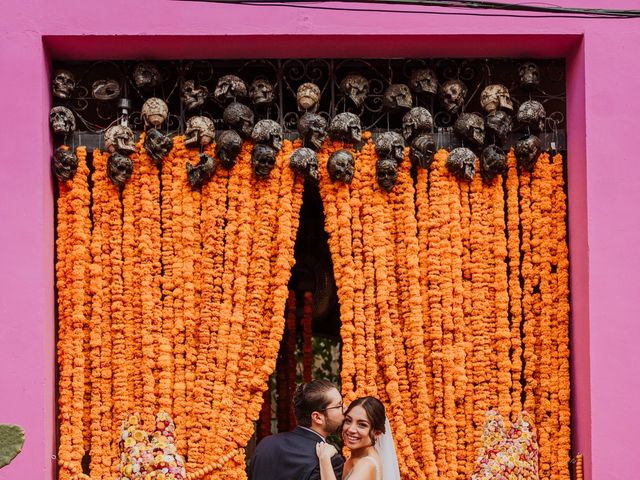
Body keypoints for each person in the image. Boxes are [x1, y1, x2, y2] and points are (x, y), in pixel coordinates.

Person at [248, 379, 345, 480]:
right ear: (317, 417)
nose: (345, 409)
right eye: (339, 406)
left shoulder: (266, 444)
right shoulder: (329, 460)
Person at [315, 397, 400, 480]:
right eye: (348, 420)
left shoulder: (367, 464)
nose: (351, 429)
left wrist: (324, 459)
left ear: (377, 433)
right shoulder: (356, 458)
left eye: (362, 425)